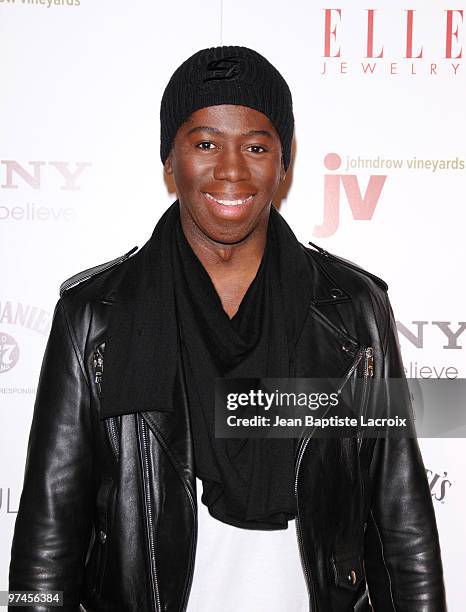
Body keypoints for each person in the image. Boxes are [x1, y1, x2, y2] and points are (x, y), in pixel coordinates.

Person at [9, 45, 446, 612]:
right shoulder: (95, 317)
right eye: (206, 143)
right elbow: (44, 547)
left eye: (257, 146)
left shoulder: (353, 310)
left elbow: (401, 521)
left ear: (284, 163)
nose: (232, 169)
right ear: (170, 160)